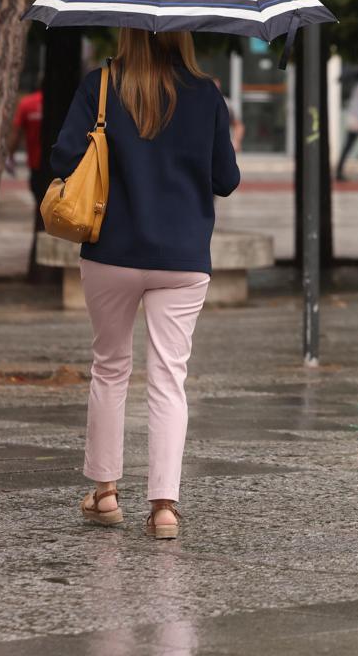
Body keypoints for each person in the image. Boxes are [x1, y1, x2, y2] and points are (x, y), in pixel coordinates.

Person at [50, 28, 240, 540]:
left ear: (126, 31)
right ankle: (163, 508)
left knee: (110, 368)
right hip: (182, 258)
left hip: (111, 250)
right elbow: (226, 179)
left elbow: (64, 159)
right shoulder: (205, 93)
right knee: (168, 377)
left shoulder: (101, 85)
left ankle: (106, 493)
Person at [7, 85, 52, 279]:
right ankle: (45, 267)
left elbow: (16, 134)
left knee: (41, 213)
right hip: (59, 168)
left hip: (36, 167)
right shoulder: (72, 102)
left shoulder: (27, 104)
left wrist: (9, 156)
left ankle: (39, 267)